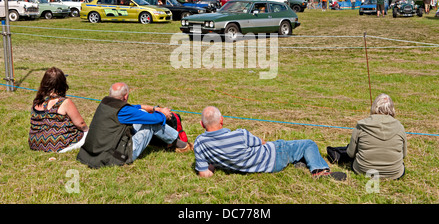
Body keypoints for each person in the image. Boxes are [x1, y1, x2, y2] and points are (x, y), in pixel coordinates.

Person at [194, 106, 346, 181]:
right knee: (308, 144)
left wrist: (213, 163)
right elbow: (262, 142)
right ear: (222, 120)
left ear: (202, 124)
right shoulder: (240, 134)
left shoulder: (200, 144)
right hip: (274, 156)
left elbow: (204, 174)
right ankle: (320, 171)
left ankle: (300, 161)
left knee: (294, 152)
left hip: (263, 165)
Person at [77, 82, 191, 168]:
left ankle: (169, 143)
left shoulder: (106, 103)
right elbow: (154, 119)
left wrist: (155, 108)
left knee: (143, 115)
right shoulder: (123, 111)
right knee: (152, 124)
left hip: (93, 152)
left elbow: (136, 108)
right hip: (117, 156)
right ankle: (181, 145)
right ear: (125, 96)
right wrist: (164, 114)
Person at [345, 94, 407, 180]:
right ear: (392, 108)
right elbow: (404, 154)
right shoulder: (400, 127)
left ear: (374, 106)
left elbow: (350, 153)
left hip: (363, 171)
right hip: (394, 173)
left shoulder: (361, 125)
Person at [29, 67, 89, 153]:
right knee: (87, 134)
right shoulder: (64, 102)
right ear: (62, 84)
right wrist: (88, 132)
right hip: (57, 144)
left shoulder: (38, 100)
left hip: (35, 143)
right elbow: (81, 124)